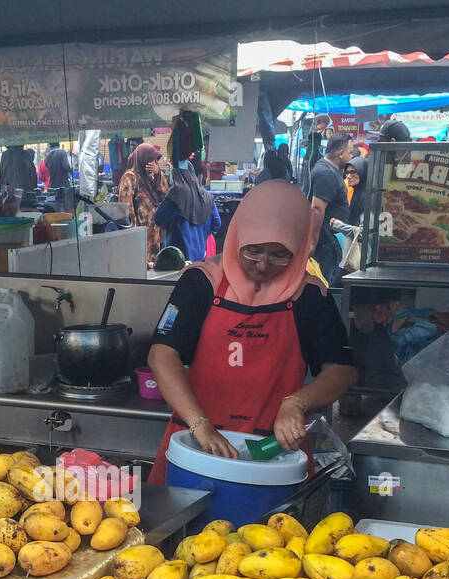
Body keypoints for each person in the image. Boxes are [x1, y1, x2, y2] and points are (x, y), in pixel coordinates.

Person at [144, 180, 356, 482]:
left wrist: (297, 402)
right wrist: (200, 425)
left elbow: (341, 371)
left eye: (280, 254)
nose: (263, 265)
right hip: (197, 444)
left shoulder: (309, 296)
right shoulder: (201, 283)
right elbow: (162, 355)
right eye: (253, 251)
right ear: (236, 237)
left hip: (273, 452)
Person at [309, 132, 354, 287]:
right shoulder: (326, 173)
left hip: (328, 240)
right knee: (322, 287)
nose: (351, 156)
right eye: (350, 152)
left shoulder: (329, 170)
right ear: (341, 153)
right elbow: (316, 209)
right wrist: (312, 243)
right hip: (324, 242)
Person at [154, 158, 220, 263]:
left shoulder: (176, 193)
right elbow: (216, 223)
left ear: (175, 174)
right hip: (200, 256)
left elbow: (158, 219)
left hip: (176, 259)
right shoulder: (206, 195)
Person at [116, 144, 168, 268]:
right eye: (152, 160)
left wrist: (158, 174)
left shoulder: (150, 178)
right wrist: (133, 235)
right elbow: (125, 208)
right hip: (140, 240)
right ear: (143, 159)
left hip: (154, 238)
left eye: (156, 161)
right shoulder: (130, 177)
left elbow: (166, 193)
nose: (155, 164)